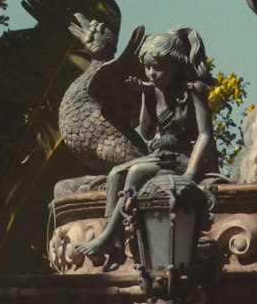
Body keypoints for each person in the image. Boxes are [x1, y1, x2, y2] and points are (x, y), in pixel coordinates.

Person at [82, 28, 216, 264]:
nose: (152, 73)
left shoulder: (193, 89)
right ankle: (114, 247)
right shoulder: (153, 91)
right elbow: (146, 133)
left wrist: (191, 174)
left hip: (188, 156)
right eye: (147, 67)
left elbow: (205, 135)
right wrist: (146, 96)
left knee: (135, 172)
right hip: (162, 155)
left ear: (176, 64)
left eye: (157, 68)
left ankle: (107, 236)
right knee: (115, 174)